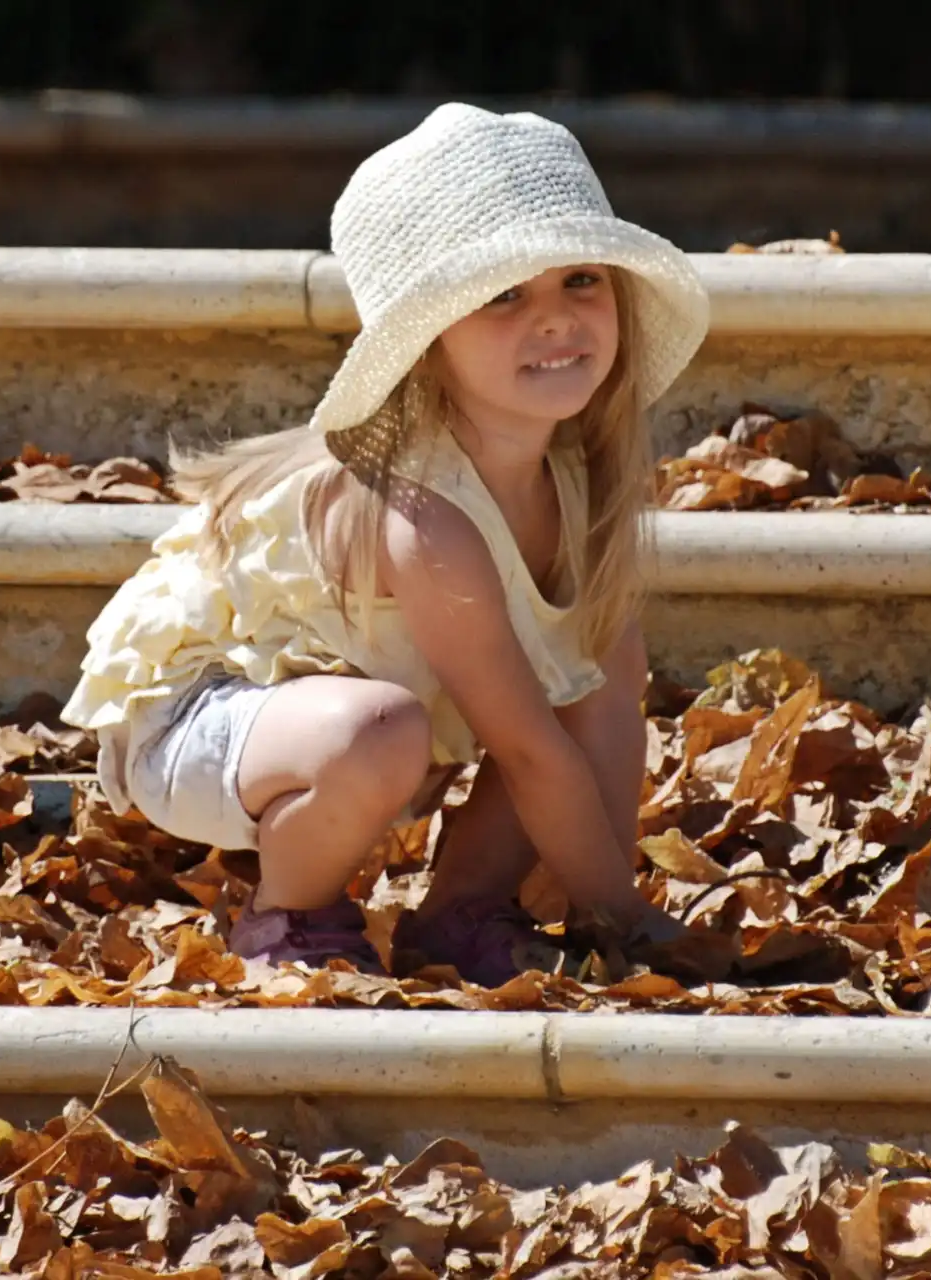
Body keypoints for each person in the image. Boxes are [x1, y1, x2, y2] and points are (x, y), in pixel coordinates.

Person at [61, 102, 710, 986]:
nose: (556, 319)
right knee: (383, 731)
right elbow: (522, 753)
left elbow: (599, 712)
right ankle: (289, 915)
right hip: (203, 710)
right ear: (424, 347)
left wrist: (612, 904)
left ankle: (461, 913)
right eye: (503, 296)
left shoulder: (575, 476)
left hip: (335, 713)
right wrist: (628, 919)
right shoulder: (420, 510)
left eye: (581, 282)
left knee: (599, 682)